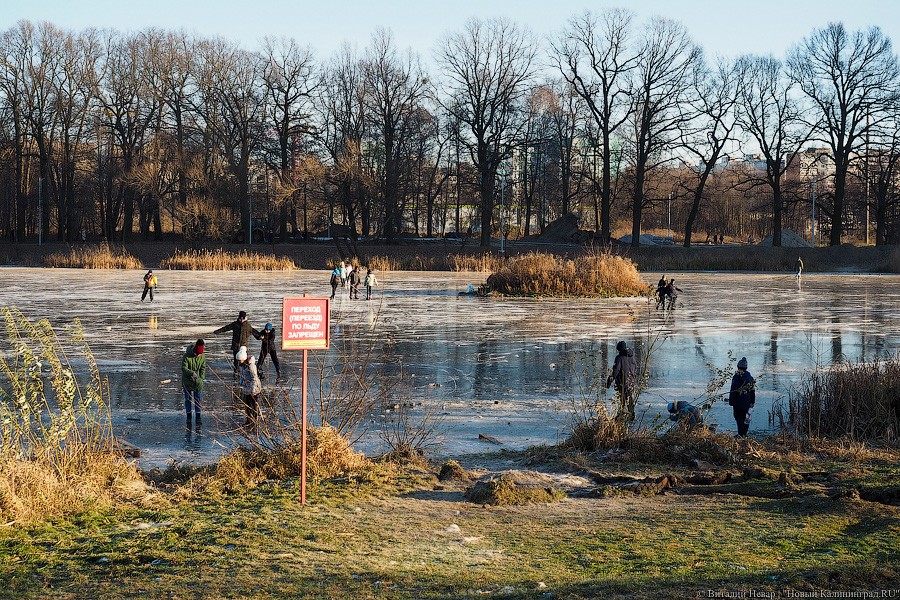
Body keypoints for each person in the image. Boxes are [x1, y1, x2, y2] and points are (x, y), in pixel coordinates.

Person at [606, 340, 638, 422]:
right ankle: (631, 415)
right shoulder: (632, 356)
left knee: (622, 399)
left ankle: (621, 416)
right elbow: (635, 367)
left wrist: (609, 382)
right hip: (631, 381)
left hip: (622, 382)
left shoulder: (619, 357)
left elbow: (615, 370)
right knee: (629, 397)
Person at [181, 338, 207, 425]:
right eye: (198, 354)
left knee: (198, 399)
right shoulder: (187, 356)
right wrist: (192, 373)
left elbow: (203, 367)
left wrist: (201, 378)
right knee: (188, 399)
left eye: (200, 354)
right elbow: (184, 368)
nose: (199, 356)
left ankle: (198, 416)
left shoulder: (202, 356)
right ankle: (189, 416)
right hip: (187, 381)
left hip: (197, 382)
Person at [728, 356, 756, 437]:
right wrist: (752, 401)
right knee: (746, 418)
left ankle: (741, 434)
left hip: (737, 402)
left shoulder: (736, 377)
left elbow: (733, 390)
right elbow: (752, 390)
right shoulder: (750, 377)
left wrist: (731, 401)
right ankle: (744, 433)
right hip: (747, 402)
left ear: (738, 367)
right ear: (746, 367)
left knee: (738, 417)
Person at [237, 346, 262, 426]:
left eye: (240, 360)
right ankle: (248, 421)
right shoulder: (242, 366)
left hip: (253, 389)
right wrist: (242, 383)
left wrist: (252, 390)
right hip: (246, 388)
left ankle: (254, 421)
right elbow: (242, 376)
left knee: (253, 405)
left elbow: (254, 378)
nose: (239, 361)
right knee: (247, 405)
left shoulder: (251, 366)